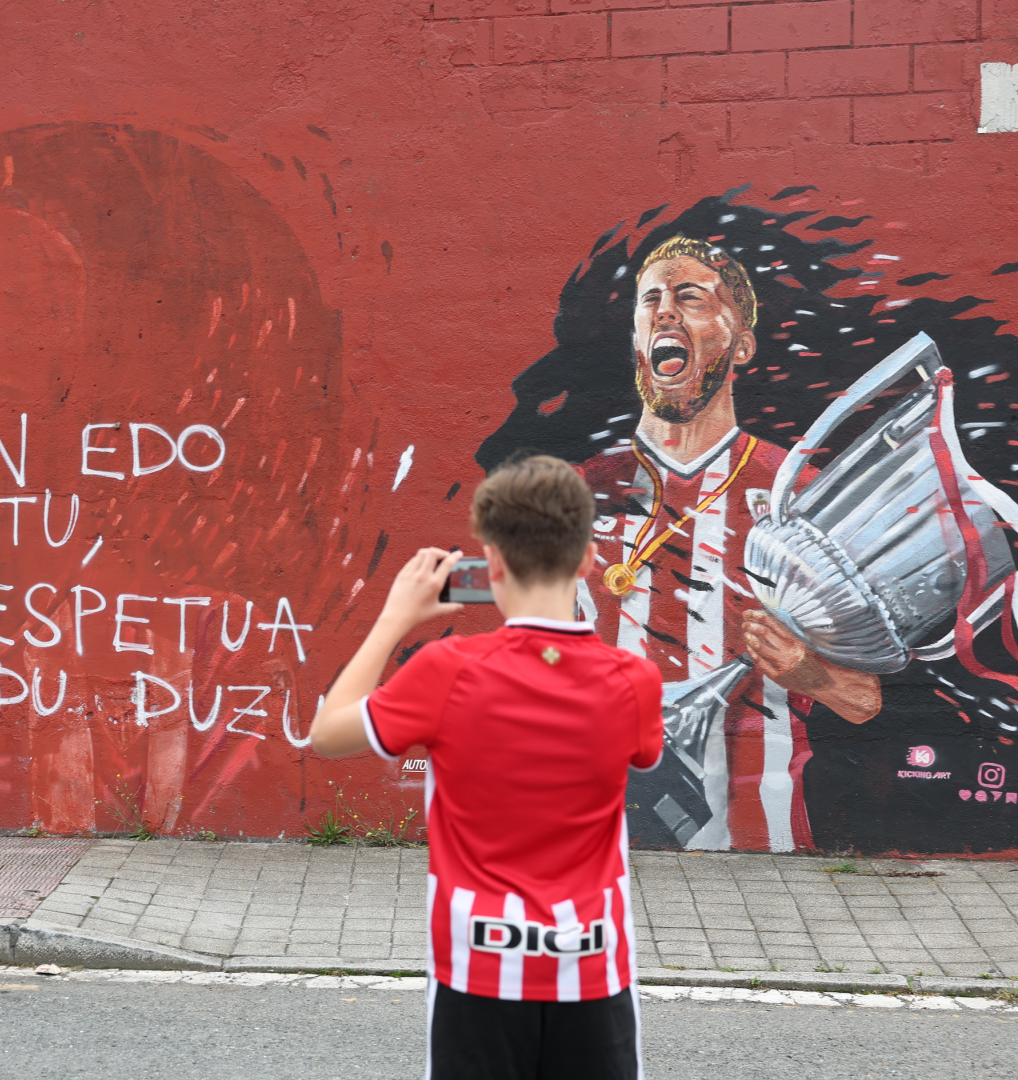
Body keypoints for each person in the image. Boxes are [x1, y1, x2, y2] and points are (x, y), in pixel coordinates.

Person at [311, 455, 663, 1079]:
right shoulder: (634, 681)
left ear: (492, 564)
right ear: (587, 561)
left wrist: (396, 618)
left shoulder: (445, 672)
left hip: (477, 970)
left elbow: (328, 733)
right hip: (591, 969)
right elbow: (644, 752)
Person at [578, 235, 880, 852]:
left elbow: (863, 699)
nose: (665, 311)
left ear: (741, 343)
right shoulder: (580, 492)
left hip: (759, 847)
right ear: (637, 336)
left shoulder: (798, 494)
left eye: (690, 297)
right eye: (651, 300)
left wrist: (807, 671)